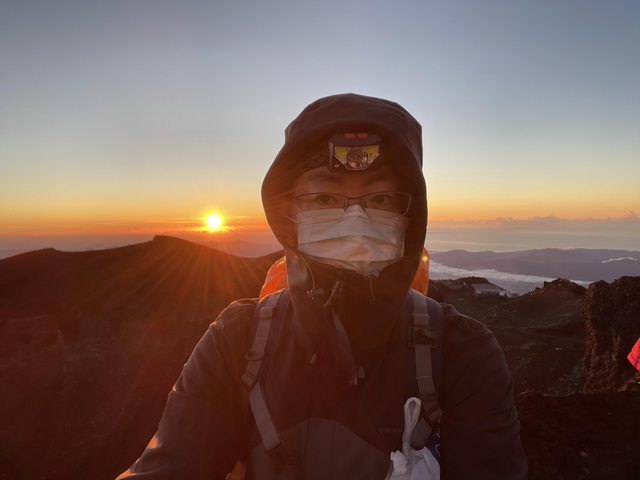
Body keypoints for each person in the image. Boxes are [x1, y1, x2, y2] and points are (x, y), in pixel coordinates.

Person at [116, 93, 527, 479]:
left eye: (380, 200)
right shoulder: (235, 341)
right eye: (325, 200)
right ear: (289, 216)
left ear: (410, 217)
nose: (355, 221)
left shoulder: (462, 355)